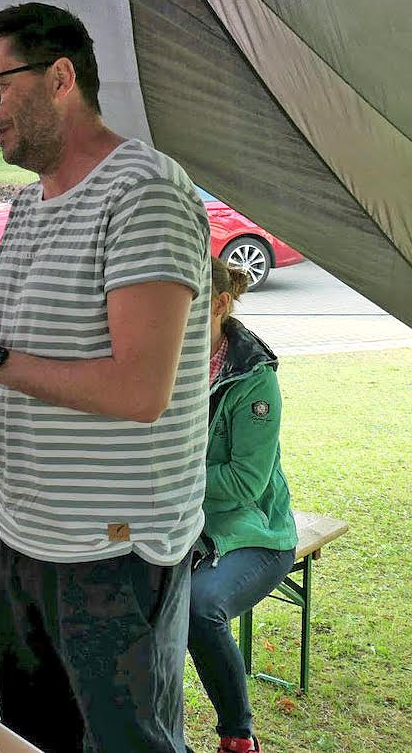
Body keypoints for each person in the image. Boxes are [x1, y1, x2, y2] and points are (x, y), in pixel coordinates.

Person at [0, 3, 211, 752]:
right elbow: (28, 359)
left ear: (61, 78)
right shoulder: (27, 208)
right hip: (20, 537)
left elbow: (139, 390)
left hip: (114, 554)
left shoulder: (144, 192)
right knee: (33, 740)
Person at [188, 257, 297, 753]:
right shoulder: (159, 363)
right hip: (183, 525)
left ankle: (238, 736)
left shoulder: (254, 377)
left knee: (199, 608)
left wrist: (168, 479)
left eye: (183, 309)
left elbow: (246, 482)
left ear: (220, 305)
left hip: (256, 533)